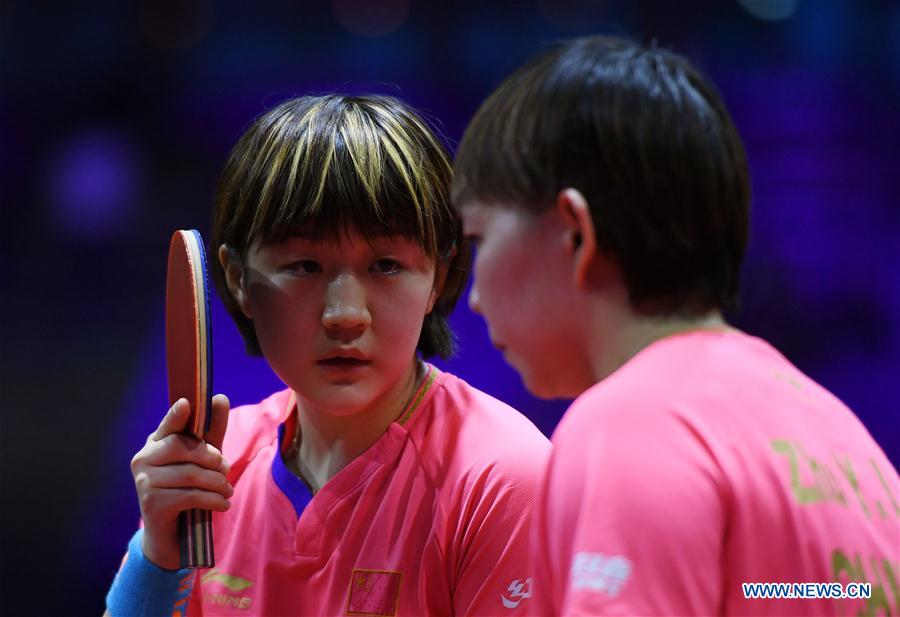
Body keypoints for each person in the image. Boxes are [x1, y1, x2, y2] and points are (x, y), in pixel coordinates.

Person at [452, 35, 899, 616]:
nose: (477, 298)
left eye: (479, 239)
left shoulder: (628, 428)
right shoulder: (844, 440)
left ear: (576, 234)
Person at [105, 94, 550, 616]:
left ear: (439, 277)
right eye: (305, 266)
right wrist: (159, 555)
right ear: (238, 279)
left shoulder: (502, 479)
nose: (344, 314)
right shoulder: (212, 469)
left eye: (386, 265)